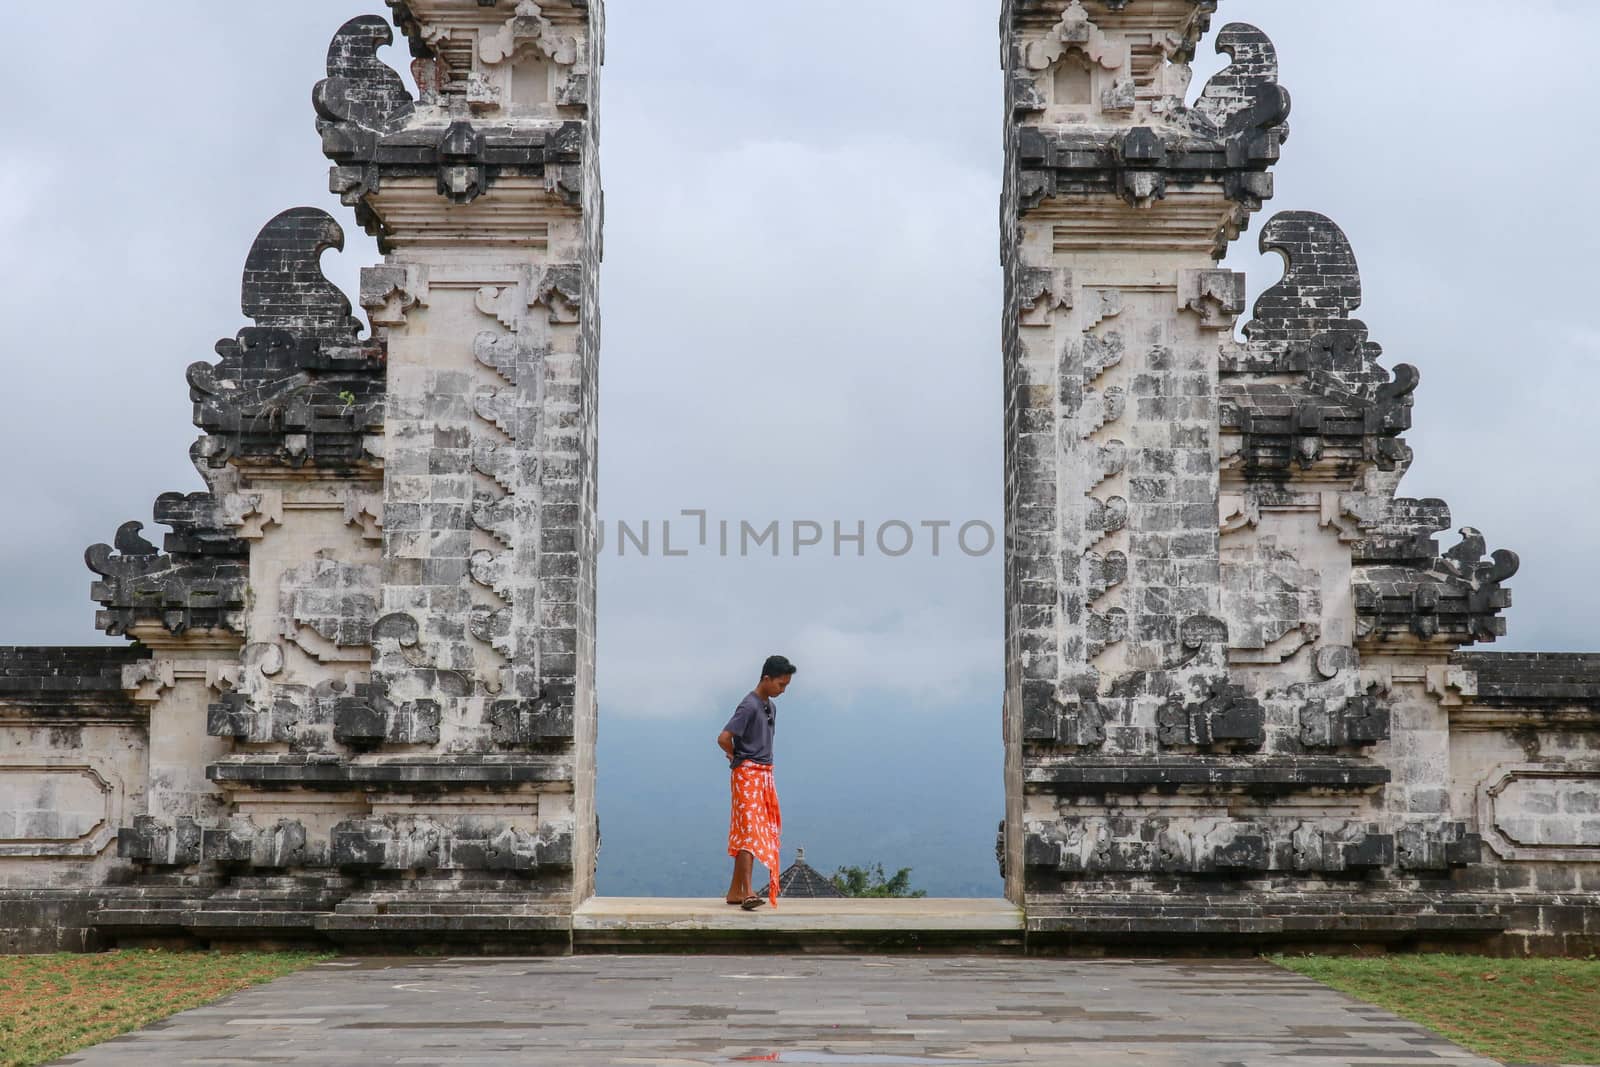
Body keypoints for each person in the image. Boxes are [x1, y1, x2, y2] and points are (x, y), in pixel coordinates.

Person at [717, 654, 796, 911]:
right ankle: (749, 892)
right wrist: (735, 756)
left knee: (749, 831)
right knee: (750, 831)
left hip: (764, 774)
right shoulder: (749, 705)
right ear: (766, 678)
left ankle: (734, 892)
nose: (782, 690)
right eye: (780, 684)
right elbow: (724, 737)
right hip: (748, 773)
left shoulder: (769, 706)